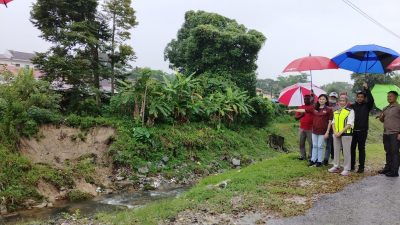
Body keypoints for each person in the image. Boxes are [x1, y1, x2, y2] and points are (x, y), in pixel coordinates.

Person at [288, 94, 332, 167]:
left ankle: (319, 161)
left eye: (323, 99)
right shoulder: (314, 108)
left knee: (320, 146)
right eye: (320, 99)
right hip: (314, 130)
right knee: (314, 145)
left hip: (323, 131)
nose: (321, 100)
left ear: (326, 100)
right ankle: (313, 160)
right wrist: (293, 110)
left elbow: (330, 121)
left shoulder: (328, 109)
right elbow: (303, 110)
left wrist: (327, 131)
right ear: (318, 100)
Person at [350, 82, 374, 173]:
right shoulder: (352, 106)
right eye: (358, 97)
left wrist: (367, 89)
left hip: (363, 131)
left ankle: (361, 167)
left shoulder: (367, 106)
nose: (360, 98)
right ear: (356, 98)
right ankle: (351, 166)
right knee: (352, 148)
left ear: (364, 98)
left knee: (361, 148)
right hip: (353, 131)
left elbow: (371, 100)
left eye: (361, 97)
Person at [328, 95, 355, 176]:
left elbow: (349, 124)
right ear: (338, 101)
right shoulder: (336, 110)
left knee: (346, 152)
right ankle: (336, 166)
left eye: (343, 101)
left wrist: (341, 132)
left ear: (346, 102)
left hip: (346, 134)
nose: (341, 102)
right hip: (336, 134)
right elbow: (333, 122)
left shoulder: (350, 111)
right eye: (340, 100)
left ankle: (346, 168)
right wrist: (335, 132)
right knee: (336, 150)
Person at [378, 91, 400, 177]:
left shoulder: (398, 107)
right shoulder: (385, 108)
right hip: (386, 133)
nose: (389, 98)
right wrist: (381, 117)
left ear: (396, 97)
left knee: (395, 152)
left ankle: (394, 171)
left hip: (395, 133)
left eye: (391, 96)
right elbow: (382, 120)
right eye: (388, 96)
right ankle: (388, 168)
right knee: (388, 152)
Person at [295, 95, 314, 160]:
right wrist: (301, 115)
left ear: (310, 100)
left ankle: (310, 156)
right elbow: (296, 118)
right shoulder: (300, 107)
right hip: (302, 128)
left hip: (310, 128)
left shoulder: (312, 107)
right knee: (301, 143)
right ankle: (303, 155)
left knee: (311, 143)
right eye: (305, 99)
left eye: (307, 99)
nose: (306, 100)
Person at [323, 92, 340, 165]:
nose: (332, 98)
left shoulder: (338, 107)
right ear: (329, 97)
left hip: (334, 128)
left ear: (336, 99)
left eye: (334, 97)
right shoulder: (325, 106)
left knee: (333, 144)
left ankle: (332, 158)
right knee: (328, 144)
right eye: (331, 97)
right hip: (326, 128)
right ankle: (326, 159)